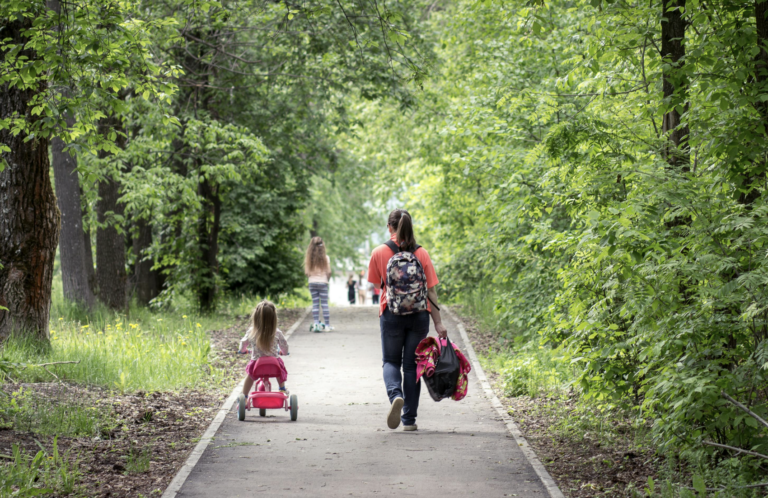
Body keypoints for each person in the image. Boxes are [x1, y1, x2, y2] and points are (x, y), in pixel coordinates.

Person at [367, 208, 446, 432]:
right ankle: (409, 420)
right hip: (419, 316)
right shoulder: (422, 253)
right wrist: (438, 322)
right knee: (412, 367)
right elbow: (431, 292)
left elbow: (377, 285)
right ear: (411, 226)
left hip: (390, 314)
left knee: (391, 361)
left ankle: (395, 395)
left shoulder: (379, 252)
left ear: (389, 227)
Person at [238, 300, 290, 396]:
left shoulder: (251, 332)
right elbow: (284, 345)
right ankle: (282, 388)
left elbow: (243, 342)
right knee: (279, 371)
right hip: (273, 363)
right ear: (274, 318)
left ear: (256, 317)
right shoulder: (277, 332)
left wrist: (242, 351)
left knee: (250, 376)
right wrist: (284, 352)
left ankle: (244, 396)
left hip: (257, 364)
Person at [304, 237, 332, 332]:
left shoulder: (309, 259)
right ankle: (327, 326)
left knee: (315, 304)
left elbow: (307, 273)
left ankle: (316, 324)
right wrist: (326, 279)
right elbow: (329, 272)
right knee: (324, 304)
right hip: (323, 282)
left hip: (312, 283)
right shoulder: (326, 258)